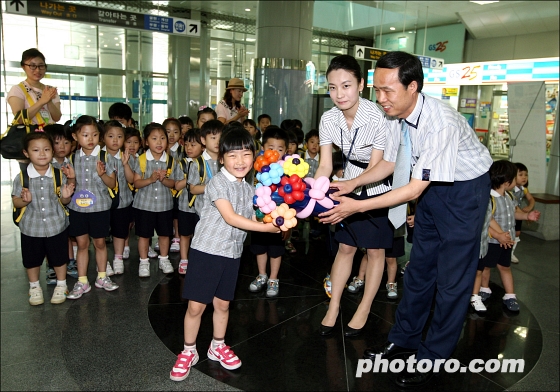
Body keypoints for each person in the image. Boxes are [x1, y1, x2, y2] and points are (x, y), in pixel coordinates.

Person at [321, 51, 493, 387]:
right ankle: (404, 340)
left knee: (453, 279)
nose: (381, 99)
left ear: (412, 86)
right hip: (430, 187)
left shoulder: (439, 122)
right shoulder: (395, 114)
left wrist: (357, 206)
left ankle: (434, 358)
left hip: (464, 191)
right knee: (418, 270)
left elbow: (413, 189)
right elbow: (391, 167)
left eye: (388, 91)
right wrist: (352, 185)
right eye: (377, 90)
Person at [169, 128, 279, 382]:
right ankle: (188, 351)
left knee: (223, 304)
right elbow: (231, 217)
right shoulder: (218, 183)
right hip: (207, 251)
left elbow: (251, 215)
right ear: (221, 159)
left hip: (232, 253)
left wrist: (275, 221)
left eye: (246, 154)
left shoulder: (248, 187)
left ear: (254, 157)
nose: (240, 161)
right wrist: (266, 228)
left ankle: (217, 346)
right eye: (233, 155)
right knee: (196, 306)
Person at [313, 55, 392, 339]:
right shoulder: (328, 118)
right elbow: (325, 164)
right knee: (345, 247)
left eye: (346, 85)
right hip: (345, 181)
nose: (339, 94)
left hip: (376, 185)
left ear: (361, 84)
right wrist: (316, 191)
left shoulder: (378, 116)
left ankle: (365, 306)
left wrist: (352, 191)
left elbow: (377, 166)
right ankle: (333, 305)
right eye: (332, 87)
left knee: (374, 250)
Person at [12, 132, 75, 305]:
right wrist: (23, 200)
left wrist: (66, 196)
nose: (42, 153)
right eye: (36, 150)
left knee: (59, 257)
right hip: (31, 227)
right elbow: (15, 201)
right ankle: (34, 287)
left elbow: (63, 200)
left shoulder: (58, 175)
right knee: (32, 260)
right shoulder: (22, 178)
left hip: (56, 225)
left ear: (52, 151)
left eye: (46, 149)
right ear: (26, 153)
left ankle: (61, 285)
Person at [475, 160, 540, 313]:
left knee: (505, 267)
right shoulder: (489, 199)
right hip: (491, 240)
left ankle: (510, 295)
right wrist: (499, 235)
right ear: (507, 181)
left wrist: (526, 216)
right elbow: (487, 220)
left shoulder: (509, 196)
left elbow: (514, 214)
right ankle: (484, 289)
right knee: (485, 268)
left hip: (507, 240)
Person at [66, 115, 120, 300]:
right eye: (85, 135)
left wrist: (103, 174)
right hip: (78, 209)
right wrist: (71, 177)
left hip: (100, 209)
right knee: (81, 244)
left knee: (99, 243)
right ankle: (82, 281)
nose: (90, 139)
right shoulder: (72, 158)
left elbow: (112, 184)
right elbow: (70, 185)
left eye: (95, 135)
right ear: (75, 137)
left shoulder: (106, 157)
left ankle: (102, 277)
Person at [131, 123, 181, 278]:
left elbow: (174, 184)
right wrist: (151, 179)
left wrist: (163, 179)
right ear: (146, 142)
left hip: (165, 205)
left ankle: (164, 259)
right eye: (154, 139)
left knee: (165, 234)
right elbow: (136, 183)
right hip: (144, 205)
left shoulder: (172, 162)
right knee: (144, 235)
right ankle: (144, 261)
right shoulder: (141, 160)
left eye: (162, 138)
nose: (159, 142)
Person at [248, 127, 291, 297]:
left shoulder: (287, 172)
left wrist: (288, 226)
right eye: (270, 148)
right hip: (260, 218)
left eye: (279, 149)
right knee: (259, 248)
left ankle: (273, 278)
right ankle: (262, 275)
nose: (274, 152)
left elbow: (292, 200)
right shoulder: (256, 169)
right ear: (262, 148)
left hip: (278, 219)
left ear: (286, 151)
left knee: (276, 249)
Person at [44, 124, 78, 280]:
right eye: (56, 143)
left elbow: (73, 185)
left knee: (67, 234)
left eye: (66, 142)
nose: (62, 147)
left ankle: (70, 261)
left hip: (69, 206)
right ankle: (51, 265)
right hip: (51, 209)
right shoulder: (46, 165)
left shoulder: (72, 161)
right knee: (51, 238)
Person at [102, 121, 135, 275]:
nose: (115, 140)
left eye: (119, 136)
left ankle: (118, 258)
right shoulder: (99, 157)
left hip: (123, 201)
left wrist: (126, 164)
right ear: (103, 138)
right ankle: (103, 262)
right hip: (102, 203)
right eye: (111, 136)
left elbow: (131, 180)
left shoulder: (127, 156)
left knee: (120, 231)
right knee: (101, 233)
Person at [174, 128, 205, 274]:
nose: (189, 148)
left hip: (201, 206)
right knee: (185, 233)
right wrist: (190, 178)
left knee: (200, 234)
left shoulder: (205, 164)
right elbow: (177, 185)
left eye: (193, 145)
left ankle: (198, 259)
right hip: (185, 205)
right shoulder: (182, 164)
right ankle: (184, 259)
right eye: (186, 144)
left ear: (203, 146)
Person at [7, 48, 61, 126]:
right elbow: (20, 119)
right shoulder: (17, 90)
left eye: (41, 66)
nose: (37, 70)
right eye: (32, 66)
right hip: (30, 136)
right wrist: (42, 101)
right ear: (23, 66)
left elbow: (57, 117)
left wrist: (49, 101)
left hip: (49, 135)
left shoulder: (50, 90)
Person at [163, 117, 185, 254]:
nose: (171, 135)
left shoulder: (182, 150)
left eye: (175, 132)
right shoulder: (159, 148)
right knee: (166, 214)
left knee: (176, 214)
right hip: (163, 187)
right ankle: (165, 236)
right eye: (168, 132)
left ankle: (177, 237)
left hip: (177, 187)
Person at [122, 127, 142, 259]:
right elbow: (130, 179)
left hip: (139, 195)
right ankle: (125, 245)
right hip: (126, 194)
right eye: (129, 142)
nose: (132, 145)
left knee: (138, 221)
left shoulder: (141, 158)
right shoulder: (123, 158)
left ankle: (145, 245)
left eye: (135, 142)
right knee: (127, 222)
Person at [511, 162, 535, 263]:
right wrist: (526, 216)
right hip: (512, 214)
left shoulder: (523, 189)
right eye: (520, 175)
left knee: (517, 233)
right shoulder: (510, 189)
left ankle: (511, 253)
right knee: (510, 233)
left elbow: (531, 199)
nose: (524, 177)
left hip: (519, 214)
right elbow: (514, 206)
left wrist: (529, 207)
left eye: (526, 175)